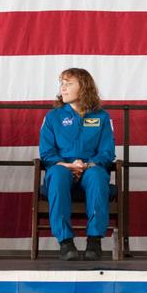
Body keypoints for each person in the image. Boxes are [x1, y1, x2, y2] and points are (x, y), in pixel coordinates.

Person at [39, 68, 116, 261]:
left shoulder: (102, 117)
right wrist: (66, 165)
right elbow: (47, 153)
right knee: (57, 176)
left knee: (98, 177)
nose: (63, 88)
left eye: (68, 83)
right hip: (62, 168)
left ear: (83, 87)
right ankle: (65, 242)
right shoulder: (53, 117)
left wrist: (88, 165)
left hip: (91, 167)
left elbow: (107, 152)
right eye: (61, 83)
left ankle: (94, 240)